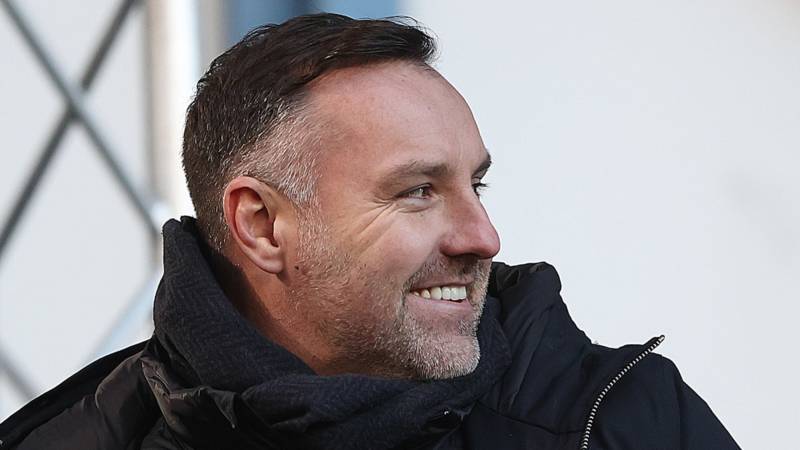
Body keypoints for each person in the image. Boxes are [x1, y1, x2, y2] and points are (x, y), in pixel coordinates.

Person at [0, 13, 739, 450]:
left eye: (475, 184)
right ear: (261, 225)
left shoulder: (621, 420)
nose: (484, 236)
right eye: (418, 191)